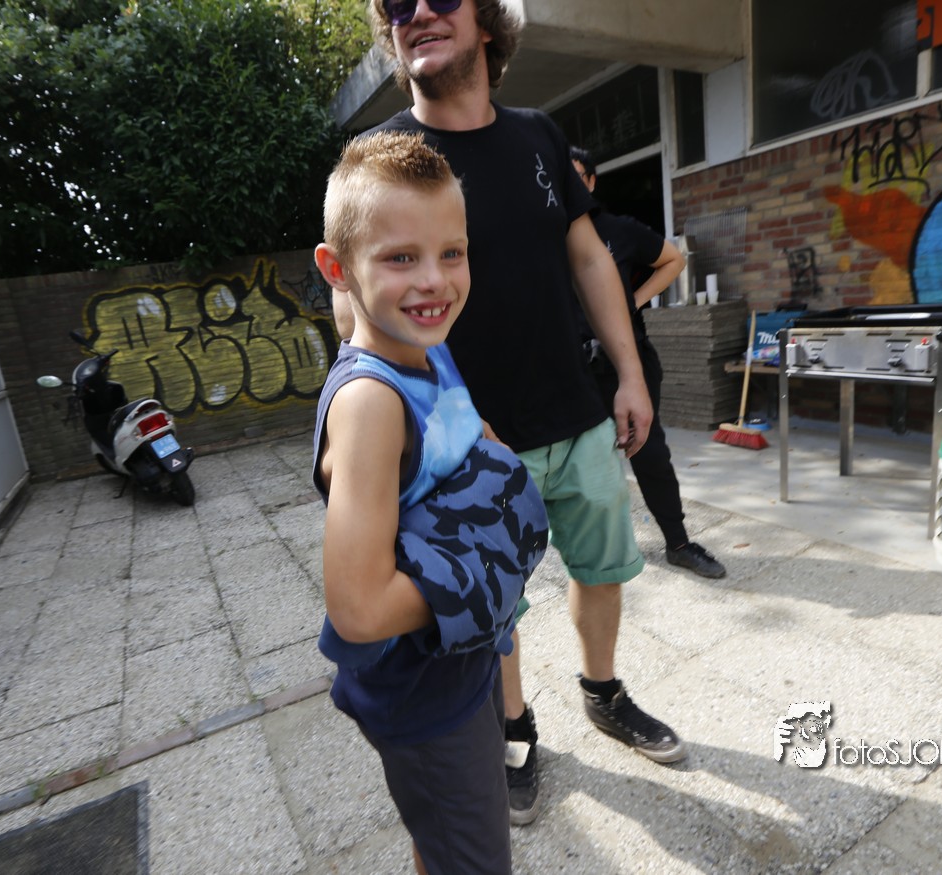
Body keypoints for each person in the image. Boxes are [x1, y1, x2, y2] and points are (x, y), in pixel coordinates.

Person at [359, 0, 688, 829]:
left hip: (576, 413)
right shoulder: (383, 156)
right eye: (396, 2)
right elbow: (355, 302)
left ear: (485, 22)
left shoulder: (539, 134)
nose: (416, 11)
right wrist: (438, 416)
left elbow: (588, 257)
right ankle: (513, 728)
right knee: (494, 605)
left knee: (602, 568)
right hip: (465, 443)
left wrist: (628, 373)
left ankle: (602, 692)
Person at [312, 130, 549, 874]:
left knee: (439, 840)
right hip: (424, 697)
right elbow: (357, 608)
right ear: (339, 269)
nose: (434, 281)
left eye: (452, 252)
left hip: (462, 663)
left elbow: (467, 427)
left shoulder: (428, 347)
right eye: (400, 258)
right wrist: (487, 573)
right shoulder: (370, 405)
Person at [570, 145, 727, 580]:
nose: (571, 186)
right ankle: (599, 549)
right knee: (584, 461)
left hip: (627, 363)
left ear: (591, 182)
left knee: (649, 452)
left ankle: (678, 543)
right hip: (573, 368)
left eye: (577, 176)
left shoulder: (617, 230)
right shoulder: (544, 240)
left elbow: (673, 260)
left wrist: (632, 302)